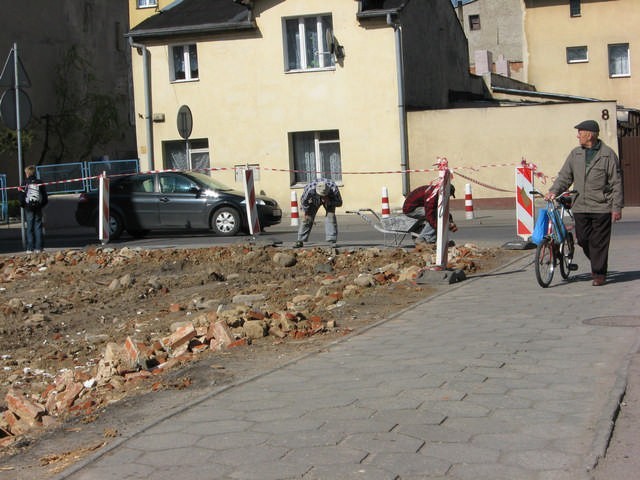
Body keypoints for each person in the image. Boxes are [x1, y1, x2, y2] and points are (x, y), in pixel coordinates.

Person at [545, 120, 623, 286]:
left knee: (599, 242)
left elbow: (616, 183)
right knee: (583, 239)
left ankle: (599, 274)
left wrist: (616, 207)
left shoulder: (608, 155)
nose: (577, 135)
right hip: (580, 205)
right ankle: (598, 262)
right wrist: (554, 191)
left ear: (589, 134)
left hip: (602, 206)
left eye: (580, 132)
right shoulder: (575, 154)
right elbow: (565, 176)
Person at [295, 178, 343, 247]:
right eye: (321, 195)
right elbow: (304, 202)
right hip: (314, 200)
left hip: (329, 200)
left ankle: (332, 241)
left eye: (324, 194)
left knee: (330, 216)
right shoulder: (310, 189)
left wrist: (329, 202)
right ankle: (300, 240)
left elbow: (340, 203)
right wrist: (306, 212)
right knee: (307, 218)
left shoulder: (333, 188)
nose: (322, 197)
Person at [18, 165, 48, 254]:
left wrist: (23, 205)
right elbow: (45, 196)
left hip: (28, 207)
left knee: (30, 228)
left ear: (27, 173)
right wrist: (42, 205)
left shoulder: (24, 182)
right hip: (38, 206)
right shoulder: (40, 182)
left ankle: (30, 248)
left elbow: (21, 196)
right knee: (38, 226)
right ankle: (39, 248)